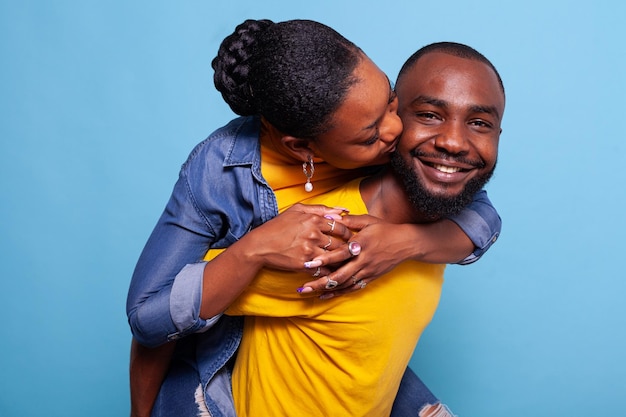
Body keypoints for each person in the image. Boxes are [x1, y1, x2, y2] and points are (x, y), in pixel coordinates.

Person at [126, 19, 501, 417]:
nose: (394, 131)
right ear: (304, 148)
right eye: (372, 132)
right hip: (249, 366)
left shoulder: (384, 126)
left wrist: (402, 242)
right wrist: (254, 250)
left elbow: (474, 206)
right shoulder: (223, 171)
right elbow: (152, 318)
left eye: (391, 103)